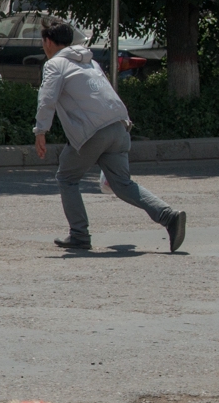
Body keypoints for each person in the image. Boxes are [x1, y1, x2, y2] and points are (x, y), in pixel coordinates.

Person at [34, 20, 186, 252]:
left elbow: (47, 99)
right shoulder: (89, 61)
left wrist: (40, 131)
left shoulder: (55, 64)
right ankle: (169, 216)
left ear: (47, 41)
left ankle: (79, 235)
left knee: (67, 177)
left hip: (92, 132)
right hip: (118, 126)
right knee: (123, 184)